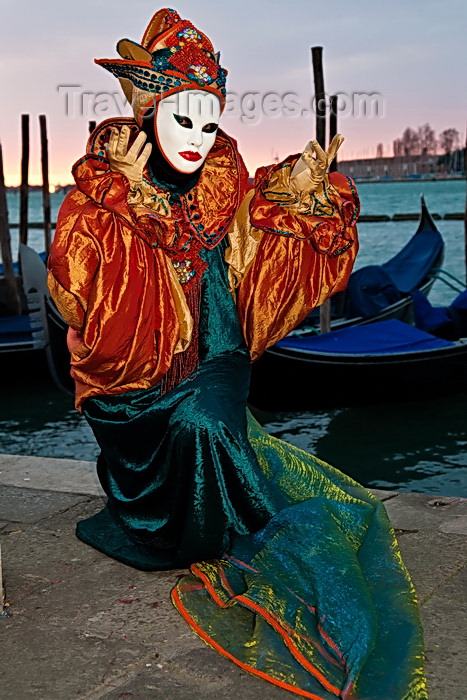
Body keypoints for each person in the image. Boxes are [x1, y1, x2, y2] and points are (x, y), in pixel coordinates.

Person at [48, 9, 427, 699]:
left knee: (208, 425)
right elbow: (75, 293)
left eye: (206, 120)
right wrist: (123, 211)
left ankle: (209, 531)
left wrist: (298, 194)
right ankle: (158, 523)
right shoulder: (99, 189)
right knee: (175, 428)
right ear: (147, 114)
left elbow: (255, 227)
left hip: (215, 347)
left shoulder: (223, 180)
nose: (196, 137)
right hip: (134, 367)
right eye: (180, 119)